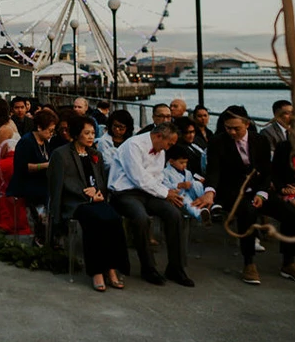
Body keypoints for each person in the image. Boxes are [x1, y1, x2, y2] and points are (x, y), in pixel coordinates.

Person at [192, 106, 295, 286]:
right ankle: (249, 263)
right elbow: (214, 170)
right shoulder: (218, 141)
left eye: (236, 128)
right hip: (231, 191)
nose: (232, 132)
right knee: (247, 212)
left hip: (258, 189)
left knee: (291, 214)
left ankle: (289, 263)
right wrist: (210, 191)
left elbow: (266, 172)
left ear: (247, 124)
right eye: (228, 128)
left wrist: (262, 193)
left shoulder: (260, 140)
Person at [48, 114, 129, 292]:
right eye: (87, 133)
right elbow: (59, 186)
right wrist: (88, 196)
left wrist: (98, 193)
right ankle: (97, 271)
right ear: (76, 134)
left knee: (114, 219)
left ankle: (112, 268)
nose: (92, 136)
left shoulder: (95, 154)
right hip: (76, 203)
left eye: (93, 133)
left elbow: (101, 181)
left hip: (97, 200)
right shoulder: (61, 155)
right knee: (95, 221)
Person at [108, 122, 194, 287]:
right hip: (125, 192)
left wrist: (167, 193)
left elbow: (157, 177)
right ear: (159, 136)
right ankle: (148, 268)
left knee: (174, 214)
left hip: (149, 192)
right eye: (169, 143)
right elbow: (138, 177)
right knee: (141, 218)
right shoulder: (133, 145)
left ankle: (176, 267)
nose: (169, 148)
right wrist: (164, 193)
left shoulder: (160, 151)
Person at [8, 107, 58, 243]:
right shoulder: (27, 141)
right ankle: (41, 234)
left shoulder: (45, 142)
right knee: (45, 195)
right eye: (50, 131)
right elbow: (23, 167)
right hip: (26, 181)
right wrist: (45, 165)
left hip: (40, 179)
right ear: (40, 127)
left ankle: (49, 234)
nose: (51, 134)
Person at [162, 145, 208, 223]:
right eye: (181, 163)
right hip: (179, 196)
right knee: (186, 201)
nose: (184, 165)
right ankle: (200, 215)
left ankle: (205, 203)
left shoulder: (188, 172)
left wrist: (197, 183)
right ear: (171, 161)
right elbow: (165, 186)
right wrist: (179, 185)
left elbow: (192, 184)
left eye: (186, 162)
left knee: (197, 184)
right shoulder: (165, 172)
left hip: (190, 193)